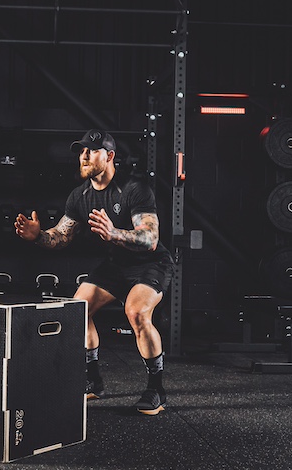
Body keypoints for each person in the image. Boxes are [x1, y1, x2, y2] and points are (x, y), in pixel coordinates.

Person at [14, 129, 173, 415]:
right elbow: (61, 236)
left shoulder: (135, 189)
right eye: (81, 150)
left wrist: (113, 233)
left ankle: (156, 390)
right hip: (116, 265)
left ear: (109, 156)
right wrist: (38, 236)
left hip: (151, 263)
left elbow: (149, 240)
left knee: (136, 313)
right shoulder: (80, 196)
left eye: (92, 150)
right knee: (78, 309)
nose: (84, 156)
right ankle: (94, 381)